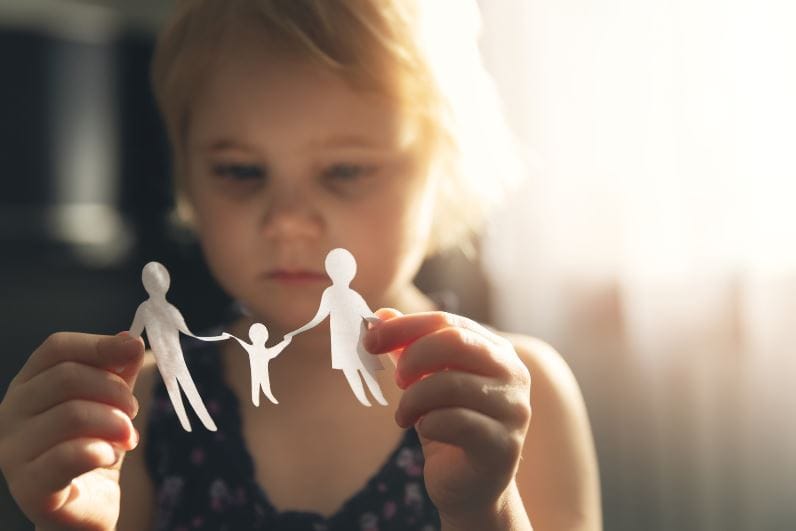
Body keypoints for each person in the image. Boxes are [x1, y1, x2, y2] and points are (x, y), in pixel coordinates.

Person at [0, 0, 602, 529]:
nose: (286, 220)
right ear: (186, 172)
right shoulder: (143, 409)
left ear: (443, 168)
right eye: (241, 171)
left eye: (345, 171)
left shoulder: (513, 395)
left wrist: (483, 511)